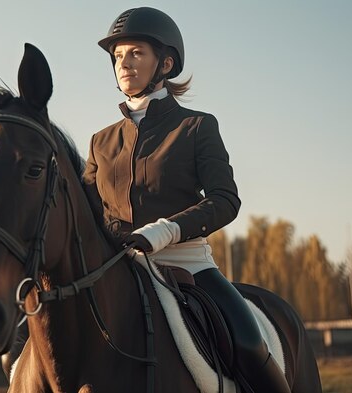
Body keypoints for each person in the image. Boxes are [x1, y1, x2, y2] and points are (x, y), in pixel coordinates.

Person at [82, 7, 291, 393]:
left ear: (166, 62)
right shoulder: (101, 141)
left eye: (135, 53)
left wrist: (164, 231)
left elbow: (225, 200)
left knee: (246, 341)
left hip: (186, 264)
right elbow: (86, 212)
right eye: (117, 56)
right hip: (116, 267)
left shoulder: (196, 126)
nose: (123, 63)